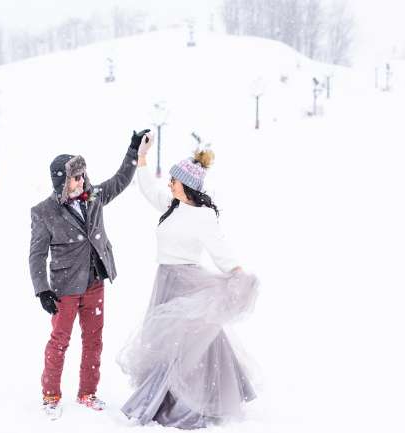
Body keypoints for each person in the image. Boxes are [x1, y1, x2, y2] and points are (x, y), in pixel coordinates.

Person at [117, 132, 259, 429]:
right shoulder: (172, 205)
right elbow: (147, 189)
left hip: (187, 281)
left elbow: (222, 251)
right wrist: (141, 157)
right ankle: (170, 396)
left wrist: (239, 274)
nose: (169, 184)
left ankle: (190, 401)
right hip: (165, 280)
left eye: (174, 180)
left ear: (188, 186)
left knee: (186, 344)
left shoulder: (204, 216)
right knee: (170, 342)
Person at [29, 129, 150, 420]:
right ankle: (50, 395)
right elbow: (36, 255)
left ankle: (87, 393)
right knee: (60, 340)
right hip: (64, 287)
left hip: (95, 281)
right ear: (61, 180)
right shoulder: (44, 212)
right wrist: (42, 289)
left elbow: (121, 179)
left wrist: (133, 149)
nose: (81, 180)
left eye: (82, 175)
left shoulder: (94, 196)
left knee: (94, 340)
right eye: (75, 176)